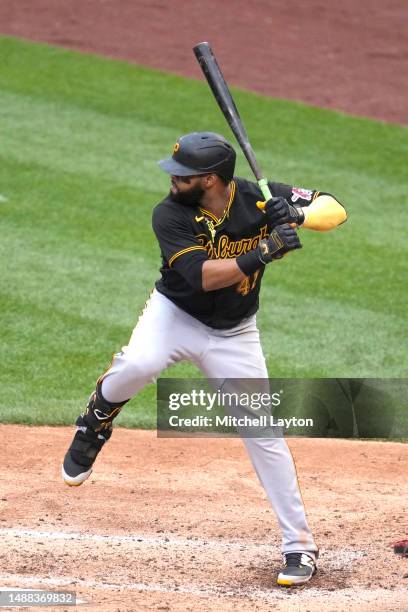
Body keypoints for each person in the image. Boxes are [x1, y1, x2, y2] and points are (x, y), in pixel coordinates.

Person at [62, 132, 347, 586]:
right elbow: (202, 278)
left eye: (182, 175)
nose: (172, 179)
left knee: (263, 433)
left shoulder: (257, 197)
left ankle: (299, 548)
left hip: (236, 332)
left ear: (210, 179)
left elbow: (336, 209)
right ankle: (97, 418)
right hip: (175, 315)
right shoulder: (169, 212)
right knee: (136, 365)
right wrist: (266, 250)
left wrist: (297, 213)